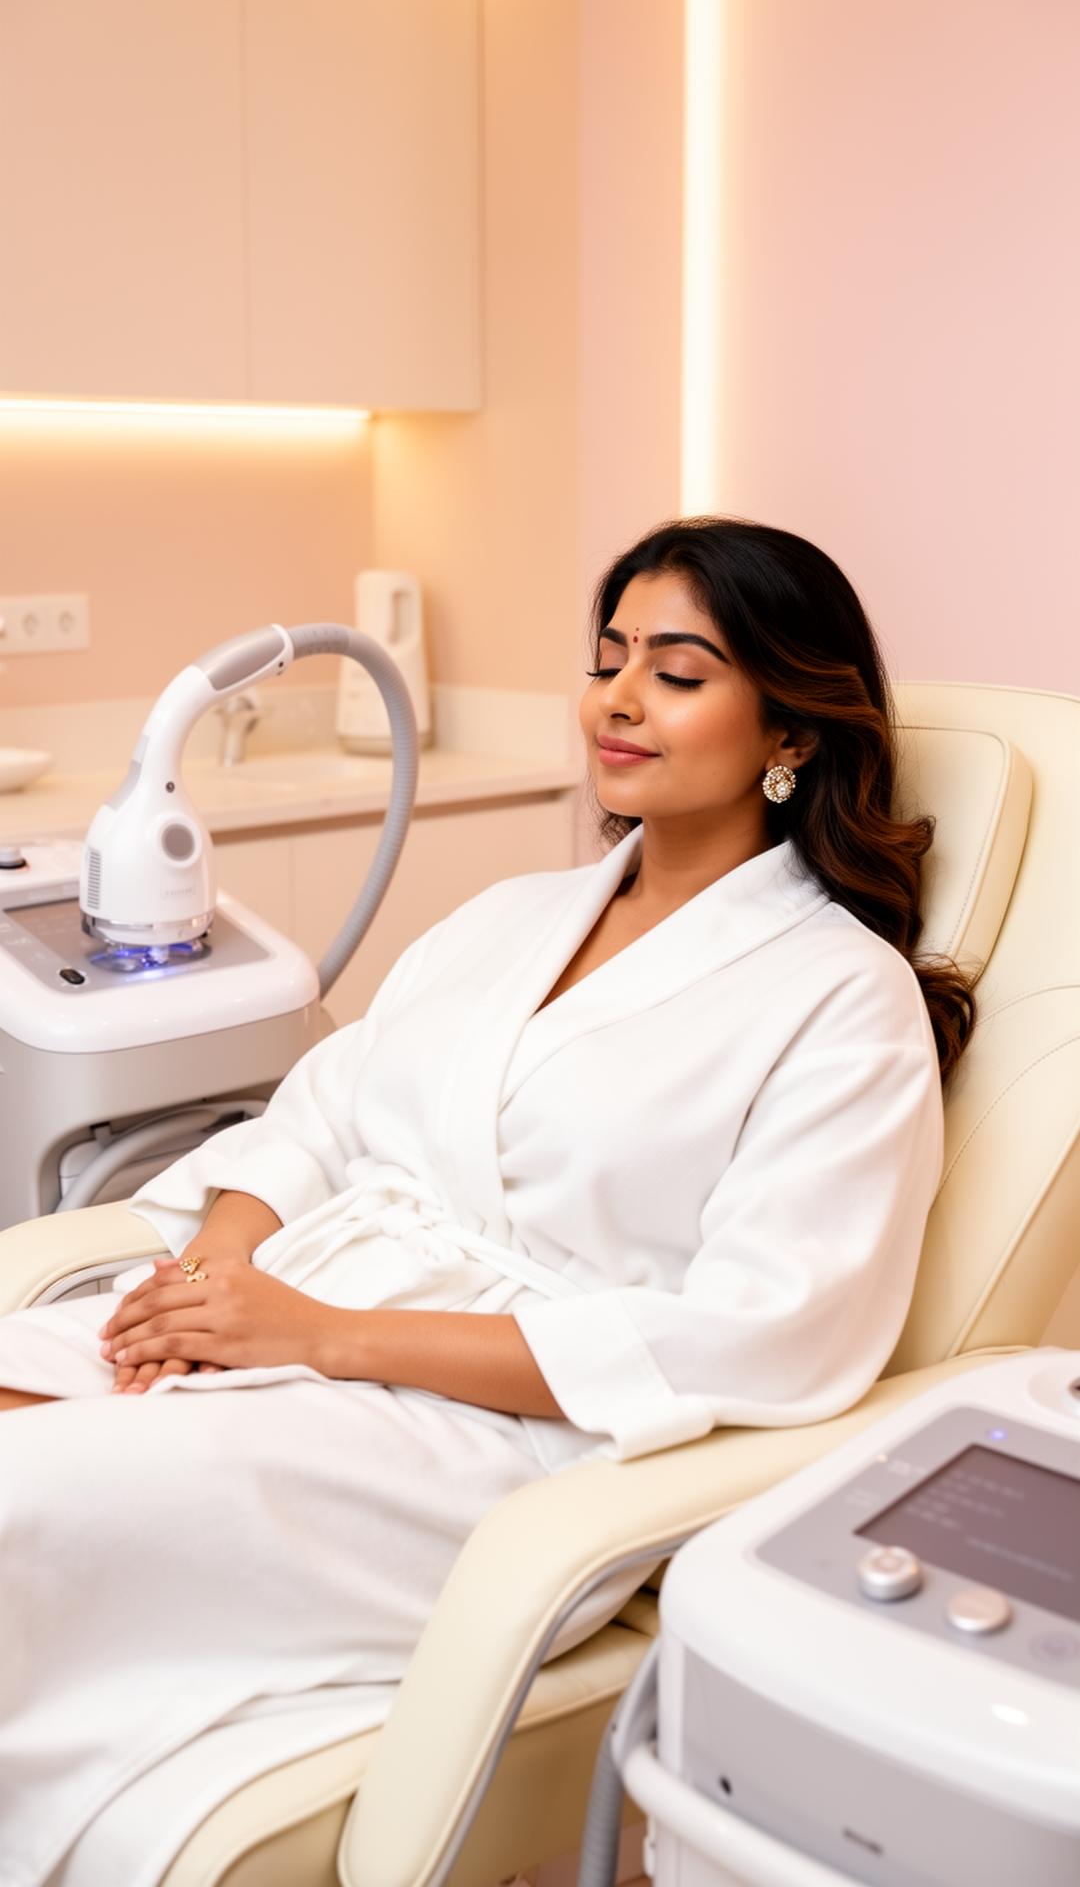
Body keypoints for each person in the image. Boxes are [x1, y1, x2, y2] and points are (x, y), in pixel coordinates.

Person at [0, 517, 971, 1886]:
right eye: (608, 659)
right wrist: (211, 1281)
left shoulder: (842, 999)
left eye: (677, 673)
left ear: (791, 733)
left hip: (498, 1432)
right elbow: (320, 1112)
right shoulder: (512, 915)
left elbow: (766, 1336)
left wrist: (319, 1336)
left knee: (24, 1497)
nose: (618, 700)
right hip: (296, 1305)